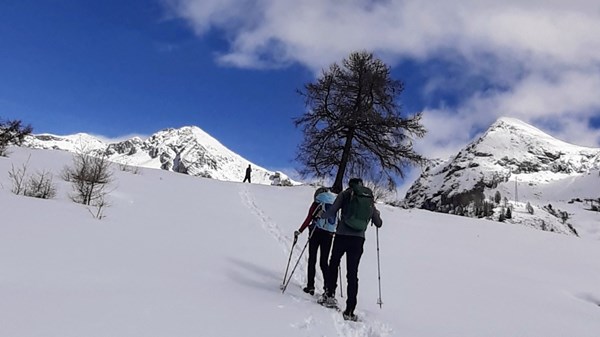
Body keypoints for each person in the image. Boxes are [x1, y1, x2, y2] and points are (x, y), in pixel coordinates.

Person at [317, 178, 382, 322]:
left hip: (341, 236)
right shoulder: (368, 198)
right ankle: (350, 310)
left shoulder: (346, 194)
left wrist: (321, 215)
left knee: (334, 264)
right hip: (358, 240)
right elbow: (378, 223)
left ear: (350, 184)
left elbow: (332, 211)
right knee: (352, 273)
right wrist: (376, 216)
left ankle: (329, 295)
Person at [294, 187, 338, 296]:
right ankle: (328, 289)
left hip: (315, 232)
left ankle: (310, 286)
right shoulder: (333, 203)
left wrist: (300, 231)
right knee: (324, 262)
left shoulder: (317, 202)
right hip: (329, 234)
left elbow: (309, 218)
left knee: (312, 259)